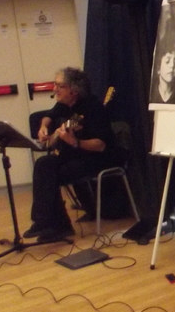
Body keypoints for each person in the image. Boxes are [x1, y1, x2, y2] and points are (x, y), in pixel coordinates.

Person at [24, 67, 119, 242]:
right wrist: (44, 127)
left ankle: (56, 225)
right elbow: (48, 116)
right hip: (74, 155)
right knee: (43, 164)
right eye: (55, 84)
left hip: (96, 158)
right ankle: (45, 221)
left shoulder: (93, 108)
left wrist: (75, 142)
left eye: (60, 86)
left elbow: (100, 145)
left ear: (74, 91)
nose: (55, 89)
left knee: (51, 174)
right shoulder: (63, 104)